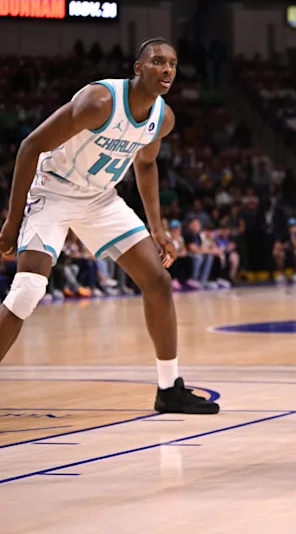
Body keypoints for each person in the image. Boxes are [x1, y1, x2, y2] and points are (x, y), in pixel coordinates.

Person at [0, 38, 219, 414]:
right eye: (157, 62)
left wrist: (158, 228)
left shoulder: (162, 118)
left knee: (158, 281)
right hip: (53, 191)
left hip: (100, 199)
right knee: (27, 291)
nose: (166, 70)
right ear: (138, 68)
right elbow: (30, 146)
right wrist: (13, 219)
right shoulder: (99, 102)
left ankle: (169, 389)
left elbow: (146, 165)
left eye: (173, 64)